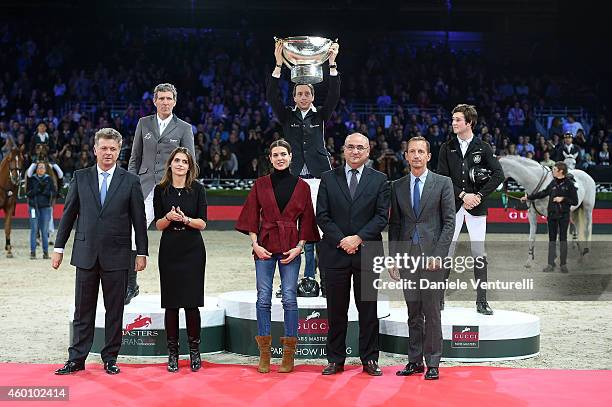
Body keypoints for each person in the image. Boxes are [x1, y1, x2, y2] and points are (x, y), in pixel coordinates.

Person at [52, 128, 148, 375]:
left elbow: (139, 221)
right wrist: (59, 248)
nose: (108, 152)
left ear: (119, 151)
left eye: (113, 149)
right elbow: (68, 215)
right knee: (82, 310)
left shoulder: (130, 181)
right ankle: (76, 359)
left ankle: (110, 358)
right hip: (85, 253)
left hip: (118, 255)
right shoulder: (80, 177)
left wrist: (142, 252)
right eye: (103, 148)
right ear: (95, 150)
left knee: (115, 310)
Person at [235, 139, 320, 374]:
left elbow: (308, 220)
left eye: (284, 153)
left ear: (291, 156)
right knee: (263, 297)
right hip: (264, 246)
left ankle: (288, 354)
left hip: (292, 246)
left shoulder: (302, 187)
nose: (280, 157)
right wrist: (255, 244)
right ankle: (264, 354)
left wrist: (300, 247)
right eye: (275, 154)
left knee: (290, 298)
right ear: (270, 158)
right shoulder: (260, 185)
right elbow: (251, 215)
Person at [266, 40, 340, 296]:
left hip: (318, 179)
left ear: (312, 96)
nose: (304, 97)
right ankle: (289, 281)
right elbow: (271, 95)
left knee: (316, 231)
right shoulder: (287, 116)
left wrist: (332, 64)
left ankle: (312, 279)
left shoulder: (320, 116)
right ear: (295, 97)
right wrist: (278, 64)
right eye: (299, 94)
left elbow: (334, 94)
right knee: (289, 229)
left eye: (307, 93)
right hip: (293, 179)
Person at [316, 132, 390, 376]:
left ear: (368, 151)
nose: (355, 151)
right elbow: (322, 216)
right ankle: (335, 359)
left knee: (368, 309)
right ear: (343, 150)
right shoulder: (328, 178)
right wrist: (343, 240)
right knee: (336, 309)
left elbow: (381, 216)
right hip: (335, 252)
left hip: (367, 251)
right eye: (351, 147)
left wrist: (357, 238)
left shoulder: (380, 180)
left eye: (360, 147)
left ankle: (369, 358)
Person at [389, 136, 455, 381]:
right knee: (413, 310)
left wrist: (438, 255)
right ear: (406, 156)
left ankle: (434, 361)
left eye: (420, 152)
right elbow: (395, 225)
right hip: (407, 257)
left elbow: (449, 223)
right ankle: (414, 361)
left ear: (428, 156)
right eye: (411, 151)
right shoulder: (397, 185)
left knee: (432, 310)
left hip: (433, 258)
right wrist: (393, 258)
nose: (416, 155)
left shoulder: (443, 183)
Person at [127, 83, 195, 304]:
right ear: (154, 101)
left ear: (175, 101)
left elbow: (190, 162)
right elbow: (134, 157)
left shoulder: (184, 128)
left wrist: (186, 191)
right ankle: (130, 285)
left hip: (172, 188)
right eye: (161, 98)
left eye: (169, 98)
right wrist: (130, 184)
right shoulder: (143, 123)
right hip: (145, 186)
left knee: (180, 236)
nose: (165, 102)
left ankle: (182, 286)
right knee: (132, 232)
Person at [437, 104, 504, 315]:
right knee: (446, 252)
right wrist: (464, 195)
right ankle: (438, 300)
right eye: (453, 119)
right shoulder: (446, 147)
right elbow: (442, 177)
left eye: (457, 119)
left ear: (469, 122)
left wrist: (479, 196)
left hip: (477, 206)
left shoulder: (483, 147)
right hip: (453, 205)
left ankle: (481, 301)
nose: (453, 123)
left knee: (478, 253)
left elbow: (498, 175)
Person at [153, 147, 208, 372]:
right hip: (169, 251)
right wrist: (168, 217)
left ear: (189, 166)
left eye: (184, 161)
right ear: (170, 164)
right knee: (171, 305)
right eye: (176, 160)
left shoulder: (197, 189)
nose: (180, 164)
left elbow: (203, 223)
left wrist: (185, 219)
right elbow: (158, 225)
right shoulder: (161, 190)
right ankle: (173, 354)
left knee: (192, 304)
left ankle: (195, 352)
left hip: (193, 250)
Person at [521, 161, 578, 273]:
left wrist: (563, 199)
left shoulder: (569, 184)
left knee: (563, 239)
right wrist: (529, 198)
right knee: (551, 240)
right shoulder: (553, 183)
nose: (552, 171)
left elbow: (575, 201)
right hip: (551, 215)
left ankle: (563, 264)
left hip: (563, 216)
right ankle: (550, 264)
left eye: (554, 170)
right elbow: (543, 193)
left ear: (561, 171)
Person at [26, 162, 56, 259]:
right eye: (39, 167)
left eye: (43, 167)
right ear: (36, 169)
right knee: (34, 229)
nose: (41, 169)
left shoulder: (49, 179)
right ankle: (33, 252)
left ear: (45, 169)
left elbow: (54, 192)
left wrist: (46, 192)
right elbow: (28, 193)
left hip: (45, 207)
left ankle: (45, 252)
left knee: (44, 230)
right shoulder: (32, 179)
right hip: (33, 207)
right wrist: (36, 190)